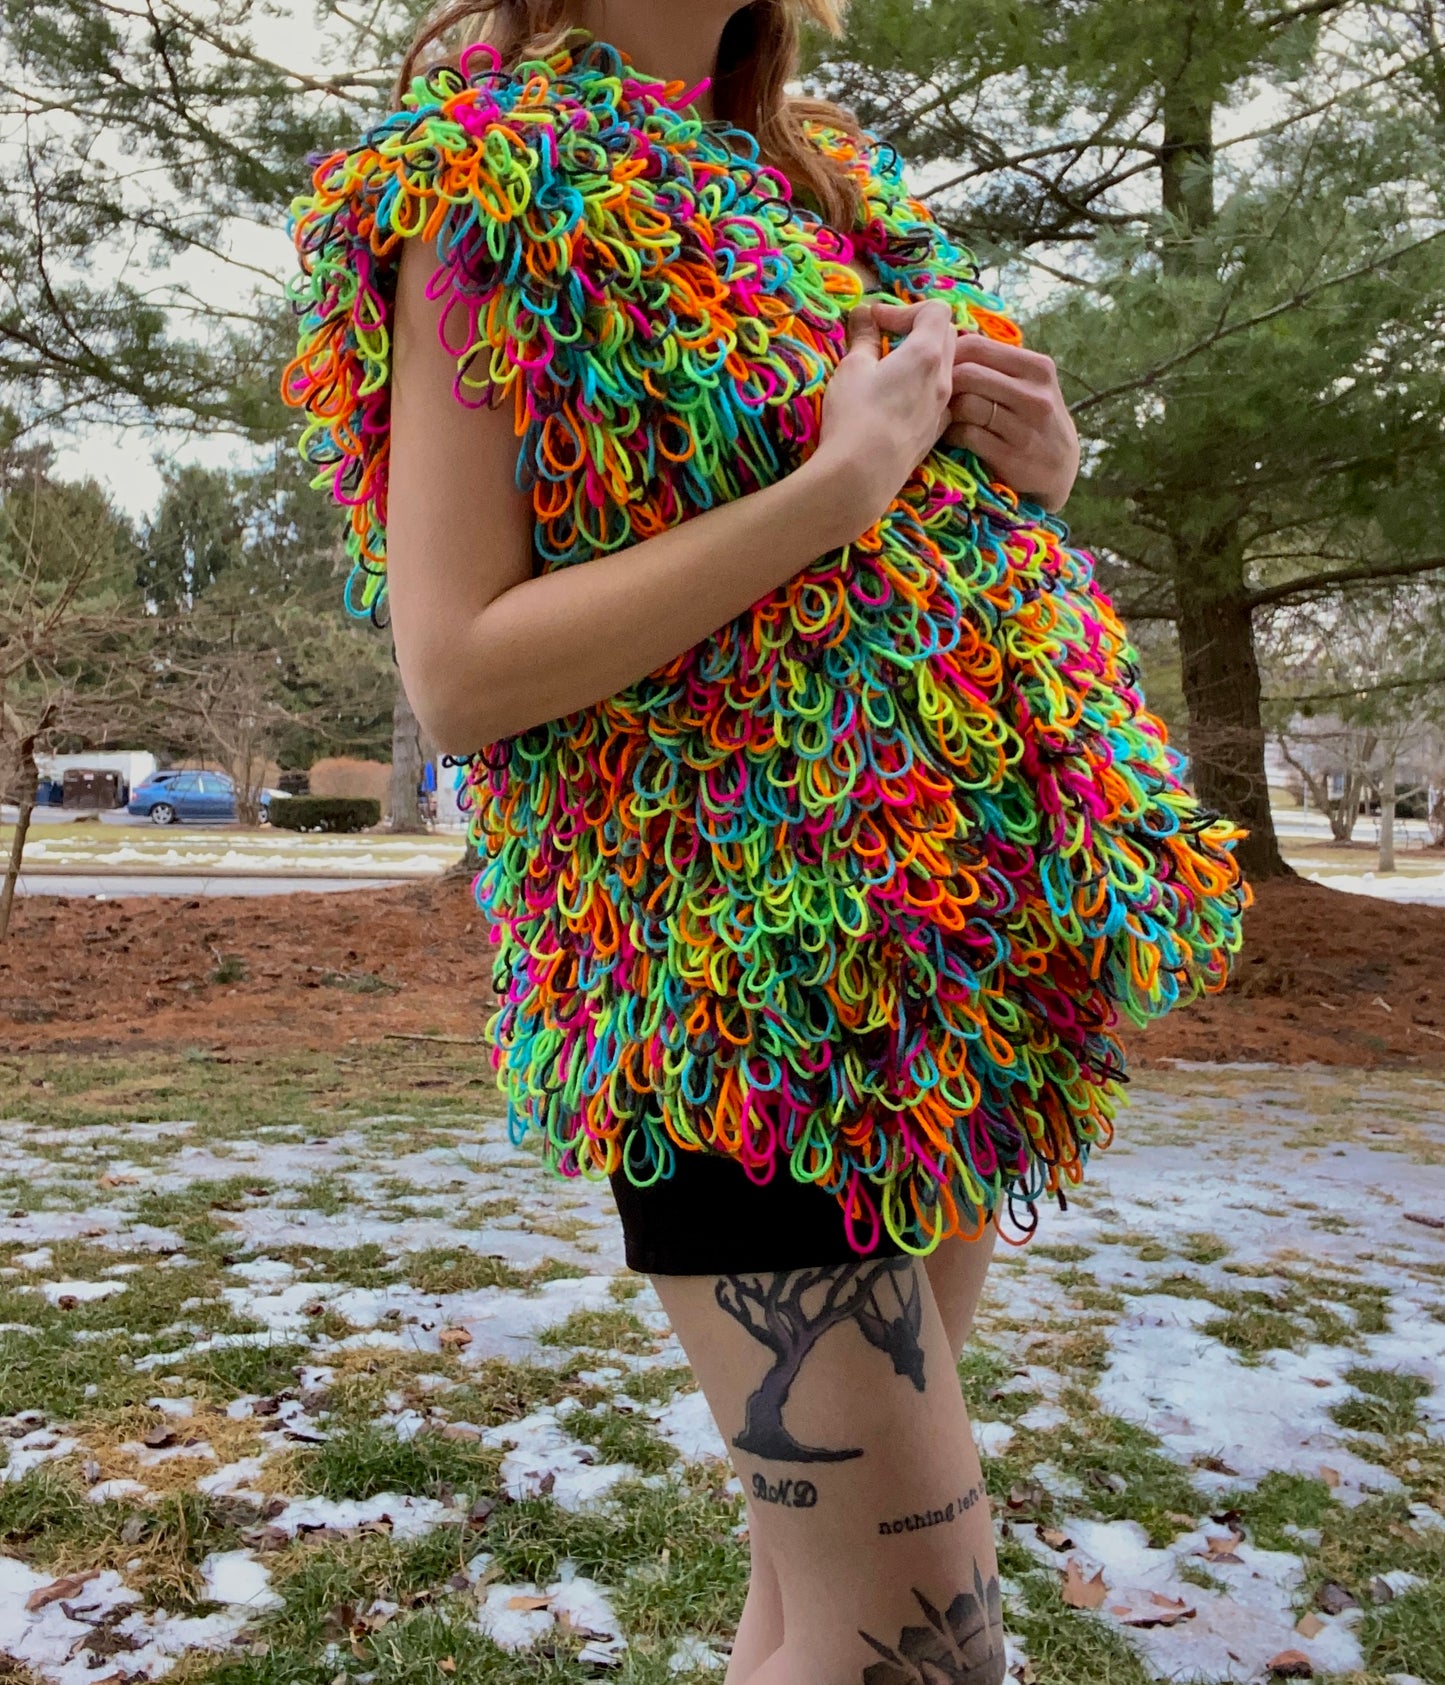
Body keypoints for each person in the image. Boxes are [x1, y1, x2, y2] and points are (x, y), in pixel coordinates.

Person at [283, 4, 1248, 1679]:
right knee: (920, 1643)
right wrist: (838, 482)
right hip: (735, 1003)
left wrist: (1033, 469)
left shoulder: (817, 186)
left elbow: (881, 577)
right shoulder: (498, 184)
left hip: (941, 981)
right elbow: (457, 670)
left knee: (815, 1612)